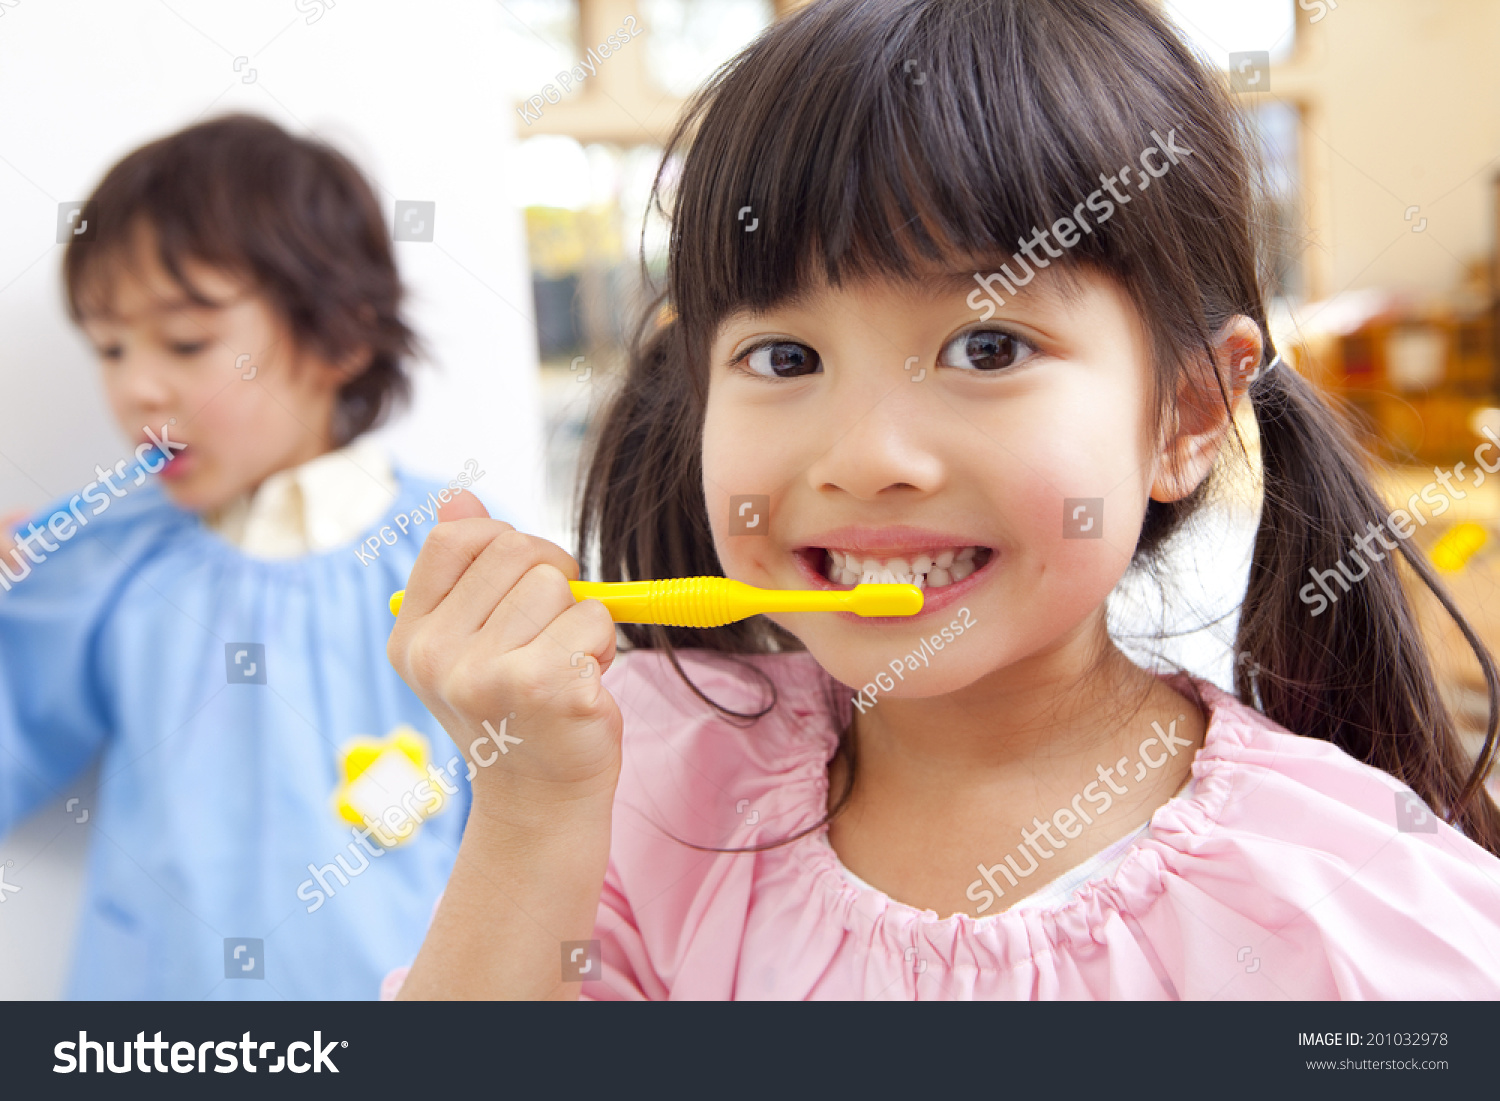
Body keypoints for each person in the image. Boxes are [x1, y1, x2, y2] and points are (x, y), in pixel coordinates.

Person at [384, 0, 1500, 999]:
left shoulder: (1352, 904)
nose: (867, 458)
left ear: (1188, 415)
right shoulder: (641, 788)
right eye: (784, 358)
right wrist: (529, 809)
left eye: (987, 346)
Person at [0, 114, 485, 998]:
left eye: (186, 342)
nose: (135, 386)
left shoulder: (456, 557)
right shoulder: (109, 562)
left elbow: (548, 825)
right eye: (109, 347)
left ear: (341, 336)